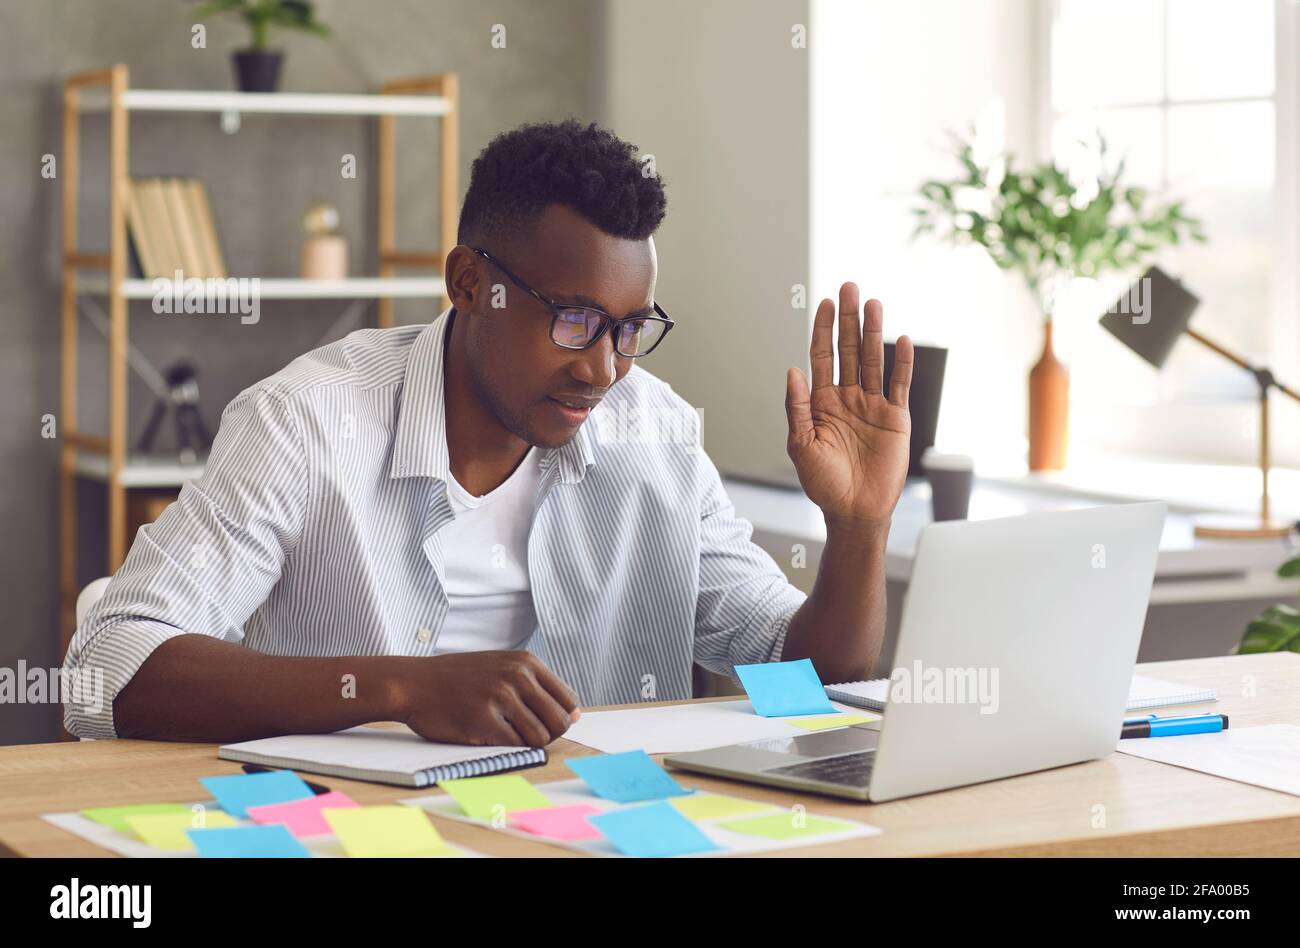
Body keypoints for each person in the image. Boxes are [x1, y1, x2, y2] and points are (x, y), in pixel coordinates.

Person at [63, 120, 913, 746]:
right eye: (575, 320)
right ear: (470, 283)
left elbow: (808, 684)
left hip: (590, 830)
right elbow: (110, 666)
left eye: (629, 327)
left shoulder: (654, 433)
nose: (605, 369)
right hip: (341, 833)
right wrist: (398, 688)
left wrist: (861, 530)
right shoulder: (305, 421)